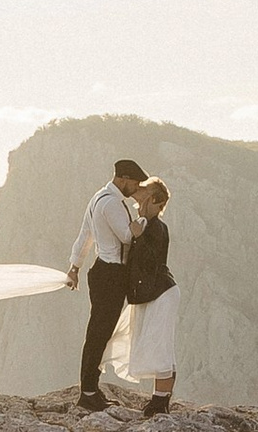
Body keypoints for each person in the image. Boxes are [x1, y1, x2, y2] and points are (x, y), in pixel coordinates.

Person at [65, 156, 145, 408]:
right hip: (111, 274)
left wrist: (75, 266)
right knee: (99, 333)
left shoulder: (98, 197)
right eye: (134, 183)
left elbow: (85, 235)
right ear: (122, 179)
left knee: (99, 332)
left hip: (102, 271)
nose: (136, 189)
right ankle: (88, 393)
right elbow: (127, 236)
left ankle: (90, 389)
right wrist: (143, 219)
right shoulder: (111, 203)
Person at [121, 176, 178, 415]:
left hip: (162, 292)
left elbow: (152, 260)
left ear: (155, 199)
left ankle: (160, 401)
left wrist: (138, 235)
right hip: (155, 292)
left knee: (160, 344)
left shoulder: (155, 227)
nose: (138, 191)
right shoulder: (146, 223)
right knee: (156, 342)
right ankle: (159, 399)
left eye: (144, 190)